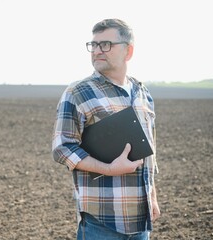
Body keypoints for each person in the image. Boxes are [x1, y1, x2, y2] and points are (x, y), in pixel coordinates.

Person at [52, 19, 160, 240]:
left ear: (128, 51)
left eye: (106, 44)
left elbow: (148, 150)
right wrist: (109, 168)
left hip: (141, 222)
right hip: (100, 223)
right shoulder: (78, 92)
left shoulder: (142, 93)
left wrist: (153, 195)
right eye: (94, 45)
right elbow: (62, 148)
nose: (97, 51)